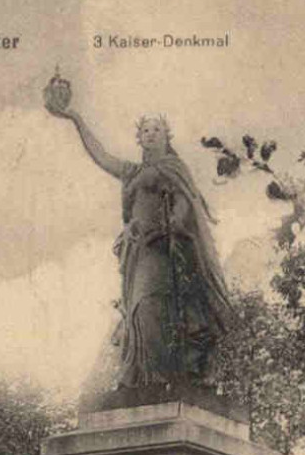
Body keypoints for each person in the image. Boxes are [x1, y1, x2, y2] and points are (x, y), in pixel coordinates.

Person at [44, 93, 234, 388]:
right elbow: (102, 156)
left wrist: (173, 225)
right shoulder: (132, 171)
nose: (150, 134)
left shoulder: (173, 167)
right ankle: (145, 378)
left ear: (166, 136)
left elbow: (186, 201)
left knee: (150, 306)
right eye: (145, 130)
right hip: (137, 252)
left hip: (163, 248)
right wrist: (75, 118)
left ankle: (158, 378)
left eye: (156, 129)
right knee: (136, 309)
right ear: (139, 138)